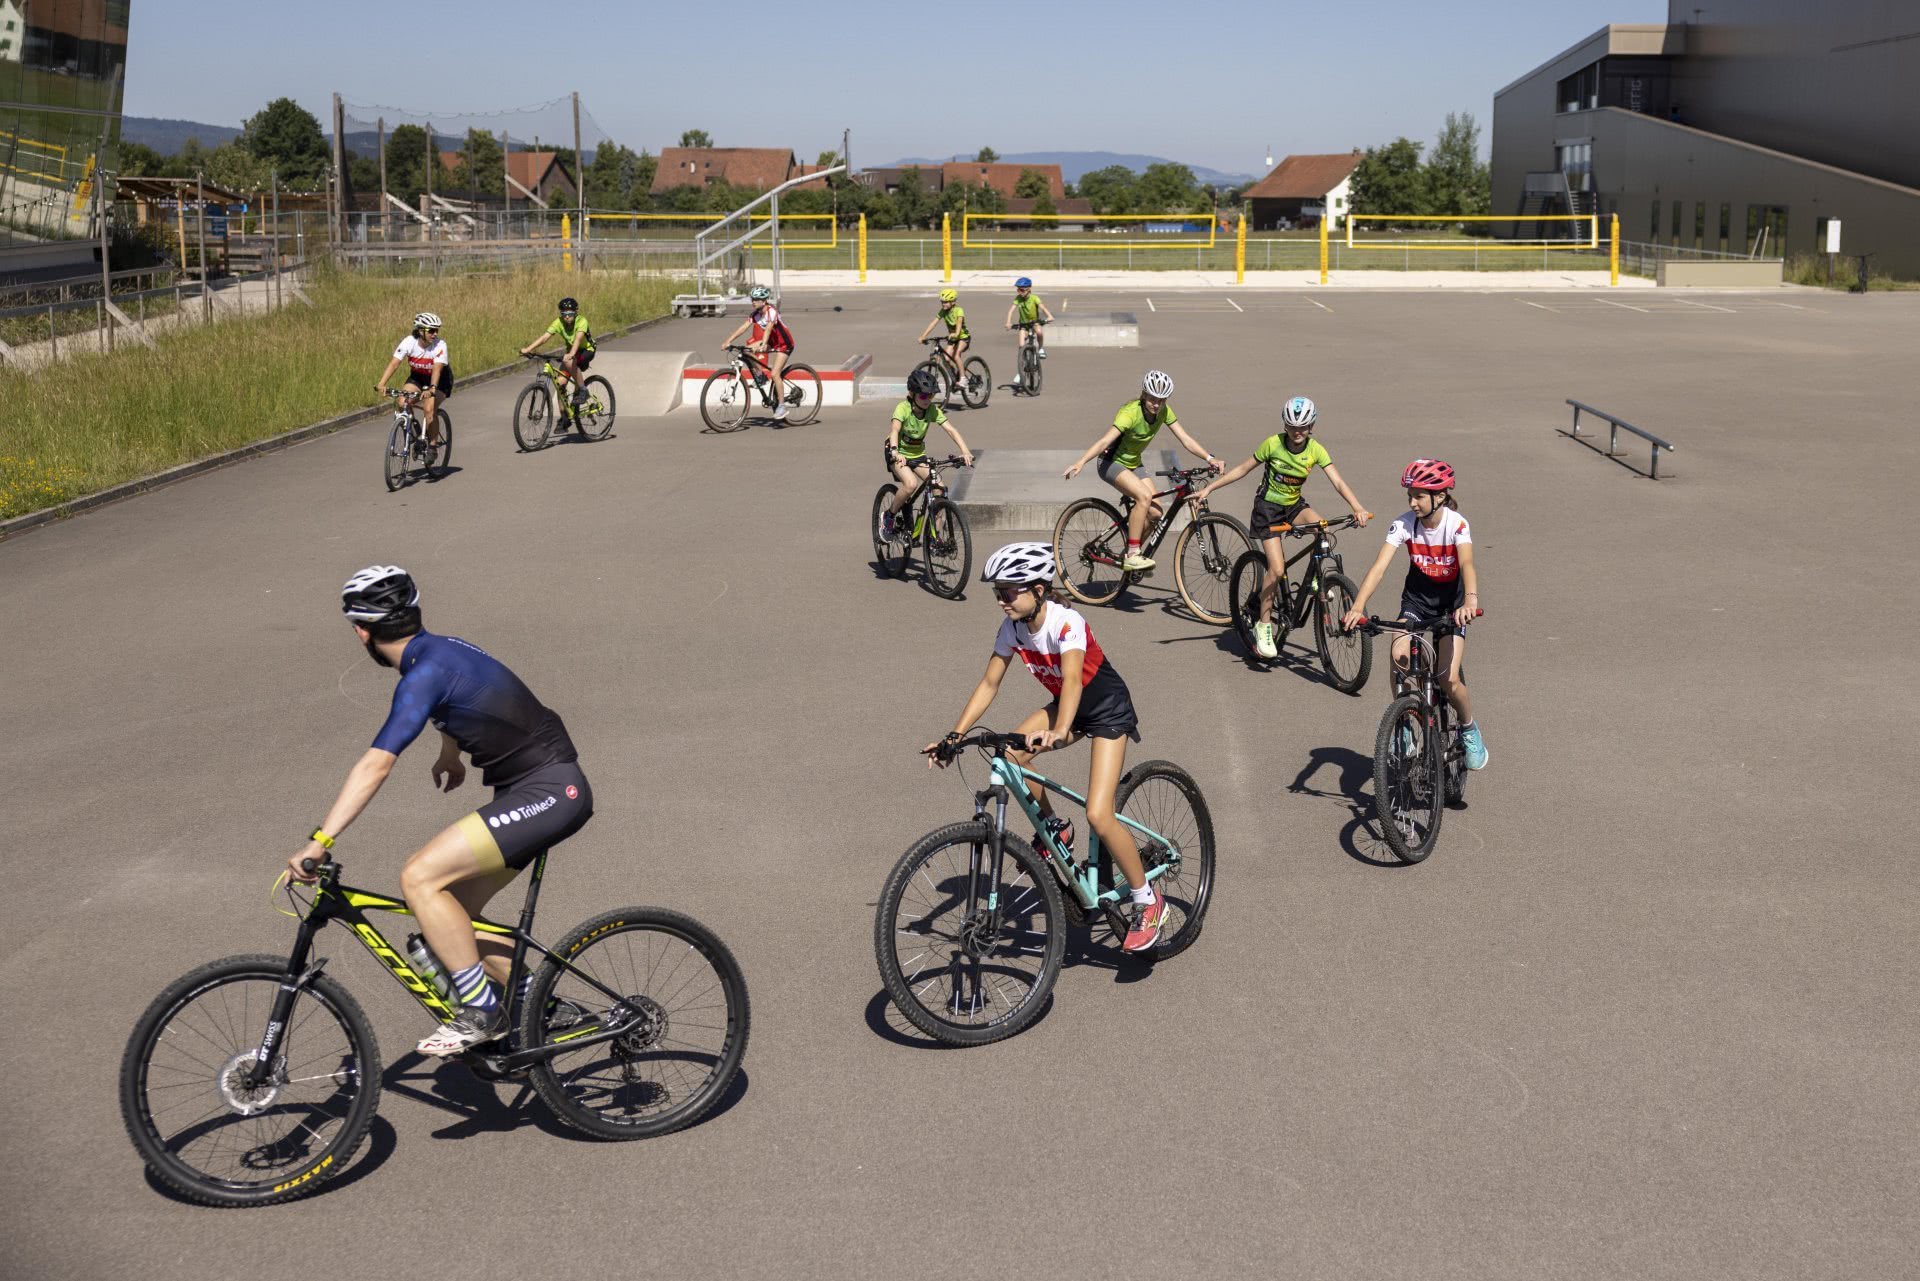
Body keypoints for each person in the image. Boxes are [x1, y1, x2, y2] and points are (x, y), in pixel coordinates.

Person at [288, 566, 594, 1056]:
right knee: (452, 921)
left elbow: (375, 766)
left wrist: (320, 841)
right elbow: (462, 696)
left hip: (551, 791)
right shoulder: (441, 651)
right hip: (539, 788)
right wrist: (450, 752)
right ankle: (544, 1006)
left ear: (361, 631)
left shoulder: (421, 675)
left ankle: (480, 1012)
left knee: (419, 878)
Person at [922, 543, 1166, 953]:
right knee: (1010, 756)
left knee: (1099, 812)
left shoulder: (1065, 621)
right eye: (997, 591)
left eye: (1009, 591)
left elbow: (1072, 681)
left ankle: (1148, 900)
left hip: (1105, 710)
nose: (1002, 599)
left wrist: (1060, 730)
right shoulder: (1012, 628)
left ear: (1037, 589)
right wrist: (954, 736)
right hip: (1067, 711)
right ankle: (1055, 826)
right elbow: (989, 684)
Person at [1192, 395, 1371, 659]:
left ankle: (1319, 583)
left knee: (1324, 530)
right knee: (1276, 569)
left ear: (1311, 427)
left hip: (1294, 506)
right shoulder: (1273, 444)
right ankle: (1264, 624)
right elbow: (1242, 469)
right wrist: (1209, 488)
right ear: (1285, 426)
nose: (1297, 432)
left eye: (1303, 427)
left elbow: (1338, 482)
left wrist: (1357, 507)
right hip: (1267, 511)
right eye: (1292, 427)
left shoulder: (1316, 450)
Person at [1341, 459, 1486, 769]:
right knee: (1399, 657)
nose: (1412, 502)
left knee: (1449, 679)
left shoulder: (1456, 524)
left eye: (1420, 495)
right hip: (1416, 601)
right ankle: (1405, 723)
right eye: (1410, 495)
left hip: (1451, 606)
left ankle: (1468, 727)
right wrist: (1357, 606)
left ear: (1441, 496)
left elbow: (1468, 565)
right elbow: (1379, 568)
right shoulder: (1404, 524)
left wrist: (1470, 602)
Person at [1063, 370, 1222, 572]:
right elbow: (1105, 440)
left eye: (1161, 400)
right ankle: (1133, 553)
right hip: (1110, 463)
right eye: (1153, 399)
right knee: (1144, 497)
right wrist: (1080, 462)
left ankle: (1129, 551)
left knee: (1156, 513)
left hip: (1133, 464)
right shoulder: (1130, 413)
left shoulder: (1164, 412)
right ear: (1144, 395)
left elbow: (1186, 439)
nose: (1156, 405)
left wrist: (1210, 458)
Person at [881, 367, 974, 541]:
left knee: (939, 489)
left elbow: (951, 430)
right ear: (912, 393)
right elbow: (894, 430)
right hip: (897, 452)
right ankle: (890, 516)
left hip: (918, 455)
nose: (927, 400)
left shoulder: (931, 410)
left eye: (931, 395)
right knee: (910, 484)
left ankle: (934, 538)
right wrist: (895, 451)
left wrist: (965, 451)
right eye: (923, 396)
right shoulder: (903, 408)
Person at [375, 312, 450, 449]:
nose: (434, 334)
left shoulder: (440, 345)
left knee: (429, 409)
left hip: (439, 381)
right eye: (431, 331)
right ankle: (414, 431)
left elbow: (437, 369)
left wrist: (432, 388)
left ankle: (432, 447)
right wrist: (382, 383)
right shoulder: (409, 342)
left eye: (436, 330)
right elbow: (394, 363)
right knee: (402, 402)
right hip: (418, 378)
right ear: (420, 330)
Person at [721, 285, 794, 420]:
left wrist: (763, 344)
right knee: (746, 350)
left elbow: (768, 329)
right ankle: (760, 376)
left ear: (764, 300)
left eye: (756, 299)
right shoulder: (755, 314)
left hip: (784, 344)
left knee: (775, 373)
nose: (753, 301)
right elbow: (743, 328)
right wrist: (728, 341)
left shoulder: (772, 312)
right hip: (772, 342)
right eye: (752, 299)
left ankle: (782, 406)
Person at [519, 296, 595, 408]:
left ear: (576, 312)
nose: (567, 317)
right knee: (560, 384)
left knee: (569, 362)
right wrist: (528, 349)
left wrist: (571, 354)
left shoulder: (582, 321)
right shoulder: (558, 322)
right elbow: (544, 337)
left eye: (570, 313)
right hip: (571, 352)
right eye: (564, 314)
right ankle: (564, 418)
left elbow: (578, 339)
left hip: (586, 351)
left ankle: (583, 390)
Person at [917, 288, 970, 389]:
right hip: (953, 338)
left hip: (963, 337)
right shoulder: (943, 311)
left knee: (956, 355)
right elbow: (933, 323)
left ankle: (963, 379)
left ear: (953, 302)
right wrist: (923, 336)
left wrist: (956, 333)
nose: (943, 304)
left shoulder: (959, 310)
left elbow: (959, 324)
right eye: (942, 302)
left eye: (946, 302)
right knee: (945, 359)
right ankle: (956, 376)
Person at [1004, 276, 1053, 361]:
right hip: (1023, 324)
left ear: (1029, 289)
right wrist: (1008, 322)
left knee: (1039, 332)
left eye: (1022, 290)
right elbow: (1011, 311)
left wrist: (1049, 316)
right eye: (1018, 290)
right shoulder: (1018, 298)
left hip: (1034, 322)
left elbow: (1043, 308)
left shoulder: (1034, 298)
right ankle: (1021, 371)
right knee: (1021, 346)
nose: (1019, 292)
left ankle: (1041, 349)